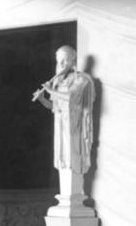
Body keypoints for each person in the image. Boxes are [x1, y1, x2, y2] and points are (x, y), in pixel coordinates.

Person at [32, 45, 97, 178]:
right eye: (59, 61)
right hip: (60, 125)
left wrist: (50, 91)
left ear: (73, 60)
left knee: (72, 160)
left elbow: (71, 98)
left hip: (75, 127)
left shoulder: (82, 79)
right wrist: (42, 99)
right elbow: (53, 106)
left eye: (64, 60)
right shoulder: (58, 82)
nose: (61, 64)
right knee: (62, 160)